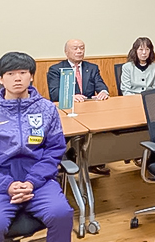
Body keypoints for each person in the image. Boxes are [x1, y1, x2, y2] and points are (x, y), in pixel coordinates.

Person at [0, 52, 74, 242]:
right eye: (10, 73)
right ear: (0, 79)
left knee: (62, 213)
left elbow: (54, 150)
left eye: (23, 72)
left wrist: (32, 181)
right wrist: (7, 185)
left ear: (31, 76)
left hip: (38, 182)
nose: (17, 78)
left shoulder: (47, 109)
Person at [47, 39, 110, 175]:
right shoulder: (56, 69)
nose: (79, 51)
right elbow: (54, 93)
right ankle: (66, 159)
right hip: (67, 112)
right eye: (75, 48)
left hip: (89, 111)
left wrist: (103, 92)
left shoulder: (92, 68)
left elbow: (100, 85)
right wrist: (70, 96)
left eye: (82, 48)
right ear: (66, 52)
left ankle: (94, 161)